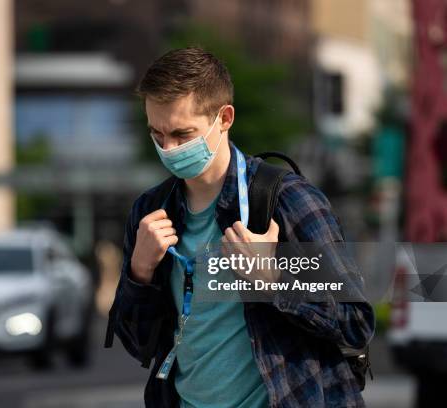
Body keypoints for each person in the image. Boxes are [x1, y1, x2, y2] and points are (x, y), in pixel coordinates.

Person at [105, 47, 375, 407]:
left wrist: (274, 280)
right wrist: (140, 271)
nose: (168, 149)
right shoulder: (152, 211)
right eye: (157, 134)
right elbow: (138, 343)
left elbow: (355, 321)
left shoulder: (285, 200)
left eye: (183, 135)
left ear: (225, 118)